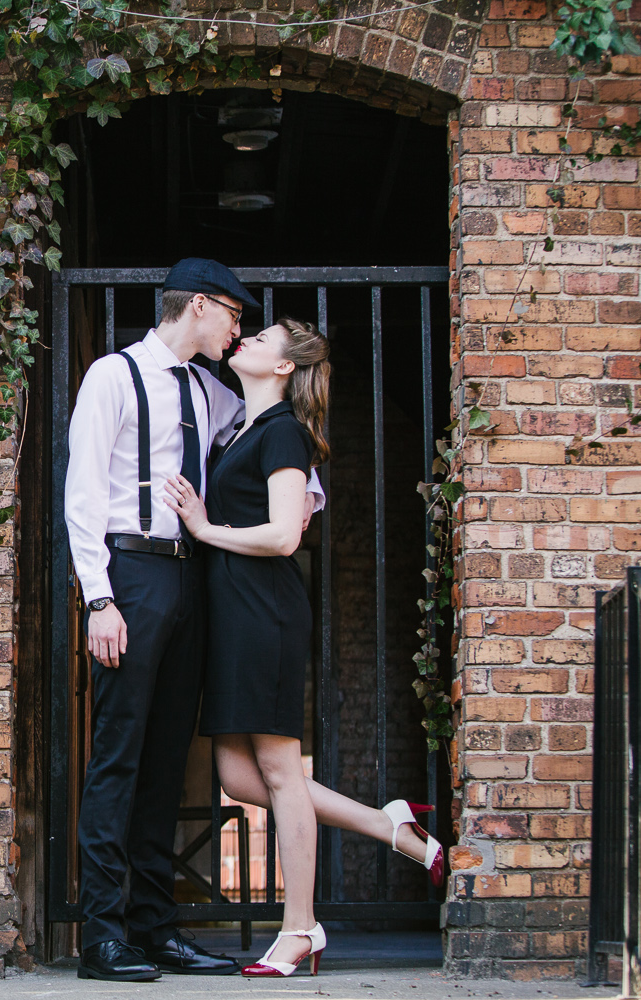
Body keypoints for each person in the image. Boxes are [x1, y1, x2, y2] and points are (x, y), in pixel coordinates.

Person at [161, 316, 445, 979]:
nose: (247, 340)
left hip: (263, 614)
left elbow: (286, 534)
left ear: (284, 367)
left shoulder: (283, 431)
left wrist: (204, 527)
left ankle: (299, 928)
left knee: (282, 773)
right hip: (234, 616)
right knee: (237, 778)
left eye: (261, 339)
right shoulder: (243, 430)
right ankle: (390, 827)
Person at [63, 259, 322, 982]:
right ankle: (104, 936)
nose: (238, 331)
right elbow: (82, 495)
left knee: (169, 760)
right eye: (234, 317)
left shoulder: (215, 391)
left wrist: (307, 501)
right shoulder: (112, 376)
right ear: (200, 306)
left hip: (194, 578)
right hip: (132, 576)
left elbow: (278, 445)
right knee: (119, 754)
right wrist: (99, 598)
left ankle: (155, 929)